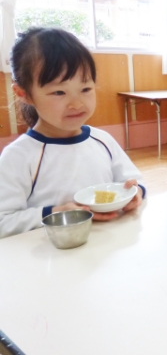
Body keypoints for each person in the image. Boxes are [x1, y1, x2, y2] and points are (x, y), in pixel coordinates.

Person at [0, 27, 145, 239]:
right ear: (24, 94)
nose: (76, 104)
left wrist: (135, 193)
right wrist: (54, 213)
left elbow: (132, 182)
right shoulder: (18, 157)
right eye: (59, 92)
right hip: (51, 258)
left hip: (106, 248)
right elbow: (3, 221)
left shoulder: (102, 140)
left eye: (86, 89)